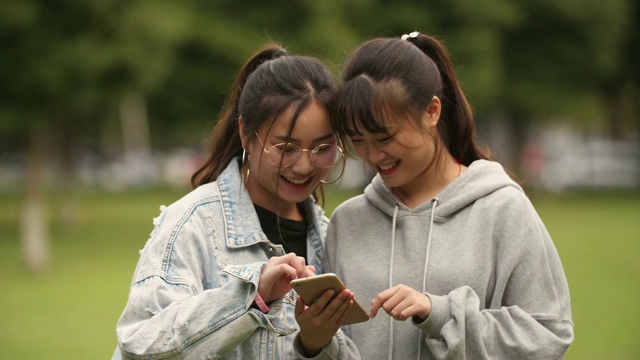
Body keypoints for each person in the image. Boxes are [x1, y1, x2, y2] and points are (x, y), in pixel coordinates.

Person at [295, 32, 574, 359]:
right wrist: (314, 342)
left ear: (431, 112)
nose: (372, 155)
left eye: (384, 137)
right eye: (358, 140)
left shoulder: (502, 207)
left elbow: (549, 333)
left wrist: (439, 313)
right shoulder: (349, 221)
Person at [112, 44, 358, 359]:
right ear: (246, 133)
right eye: (286, 148)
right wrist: (250, 299)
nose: (304, 166)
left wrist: (316, 343)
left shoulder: (331, 235)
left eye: (322, 148)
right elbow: (139, 345)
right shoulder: (191, 224)